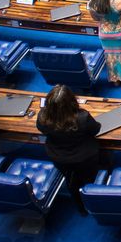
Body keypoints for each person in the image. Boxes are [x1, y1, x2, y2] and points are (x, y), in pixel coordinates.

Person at [36, 84, 101, 215]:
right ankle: (96, 205)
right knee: (90, 179)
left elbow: (41, 129)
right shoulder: (82, 117)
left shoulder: (43, 117)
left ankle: (81, 209)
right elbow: (96, 129)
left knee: (71, 182)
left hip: (59, 158)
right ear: (71, 101)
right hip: (85, 158)